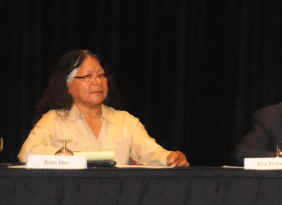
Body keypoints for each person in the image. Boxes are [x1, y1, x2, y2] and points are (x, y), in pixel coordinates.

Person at [18, 50, 189, 167]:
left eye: (101, 75)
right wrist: (68, 157)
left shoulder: (125, 121)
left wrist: (170, 158)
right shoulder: (53, 120)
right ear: (68, 85)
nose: (97, 82)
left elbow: (151, 152)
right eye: (88, 76)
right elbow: (26, 154)